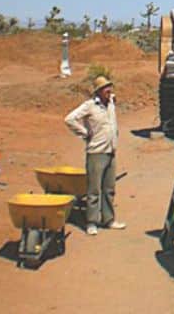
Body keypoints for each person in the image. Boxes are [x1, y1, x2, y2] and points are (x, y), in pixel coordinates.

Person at [65, 76, 125, 236]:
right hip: (96, 153)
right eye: (105, 88)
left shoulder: (111, 103)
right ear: (98, 91)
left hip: (111, 151)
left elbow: (113, 99)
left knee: (109, 188)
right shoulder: (90, 106)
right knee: (94, 190)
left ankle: (109, 219)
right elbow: (70, 119)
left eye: (110, 87)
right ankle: (92, 222)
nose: (109, 90)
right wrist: (84, 132)